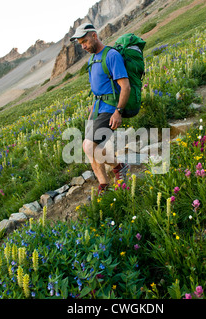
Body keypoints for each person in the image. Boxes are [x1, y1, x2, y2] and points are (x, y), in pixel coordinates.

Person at [70, 23, 131, 195]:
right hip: (97, 108)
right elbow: (98, 90)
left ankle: (120, 166)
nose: (83, 46)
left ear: (94, 36)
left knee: (90, 146)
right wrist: (91, 114)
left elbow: (125, 87)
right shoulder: (91, 60)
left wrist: (118, 111)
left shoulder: (111, 56)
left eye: (85, 41)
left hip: (110, 108)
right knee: (87, 147)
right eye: (80, 44)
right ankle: (104, 184)